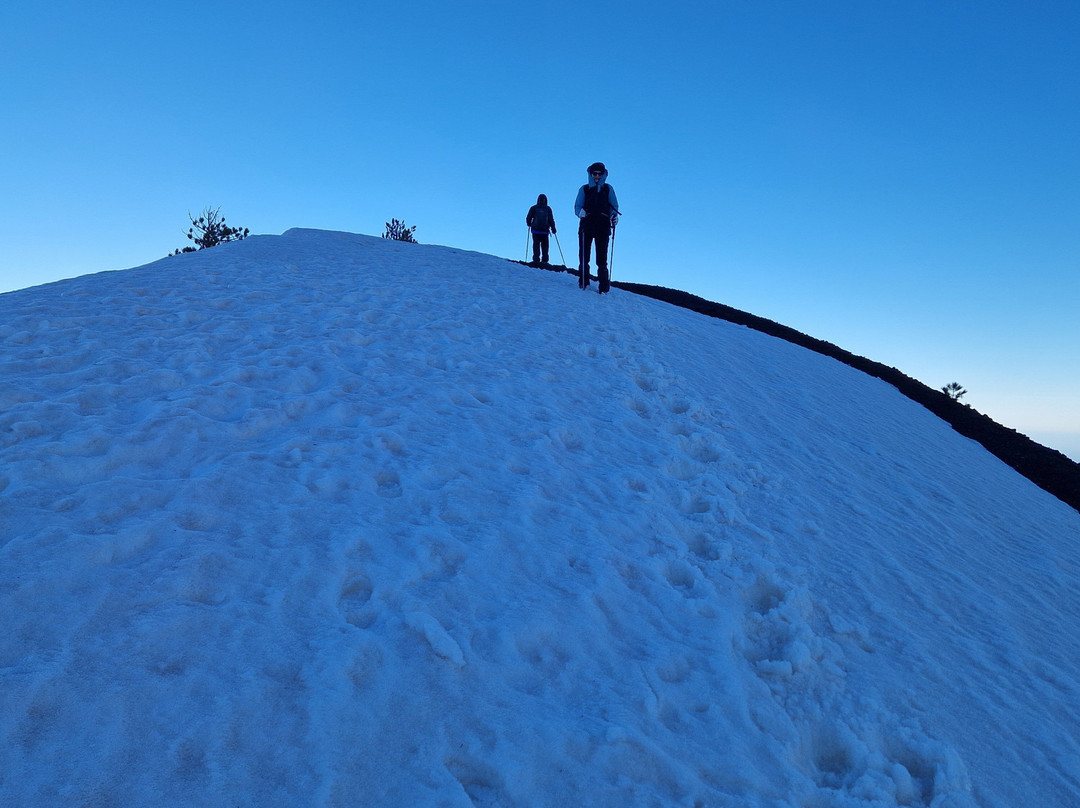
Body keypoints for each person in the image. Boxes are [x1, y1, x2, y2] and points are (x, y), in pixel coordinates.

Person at [574, 162, 620, 293]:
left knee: (601, 259)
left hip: (603, 226)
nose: (597, 176)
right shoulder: (584, 189)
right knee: (584, 256)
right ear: (590, 174)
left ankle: (603, 288)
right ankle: (583, 282)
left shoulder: (608, 189)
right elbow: (577, 206)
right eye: (595, 173)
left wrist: (614, 216)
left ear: (604, 174)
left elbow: (614, 206)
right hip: (587, 225)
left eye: (600, 174)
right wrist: (579, 213)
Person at [525, 194, 556, 268]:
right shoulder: (548, 209)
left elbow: (528, 218)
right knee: (545, 245)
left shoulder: (533, 208)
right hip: (545, 231)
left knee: (536, 244)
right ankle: (544, 260)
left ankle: (536, 259)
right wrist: (553, 229)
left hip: (535, 230)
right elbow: (551, 219)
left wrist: (529, 224)